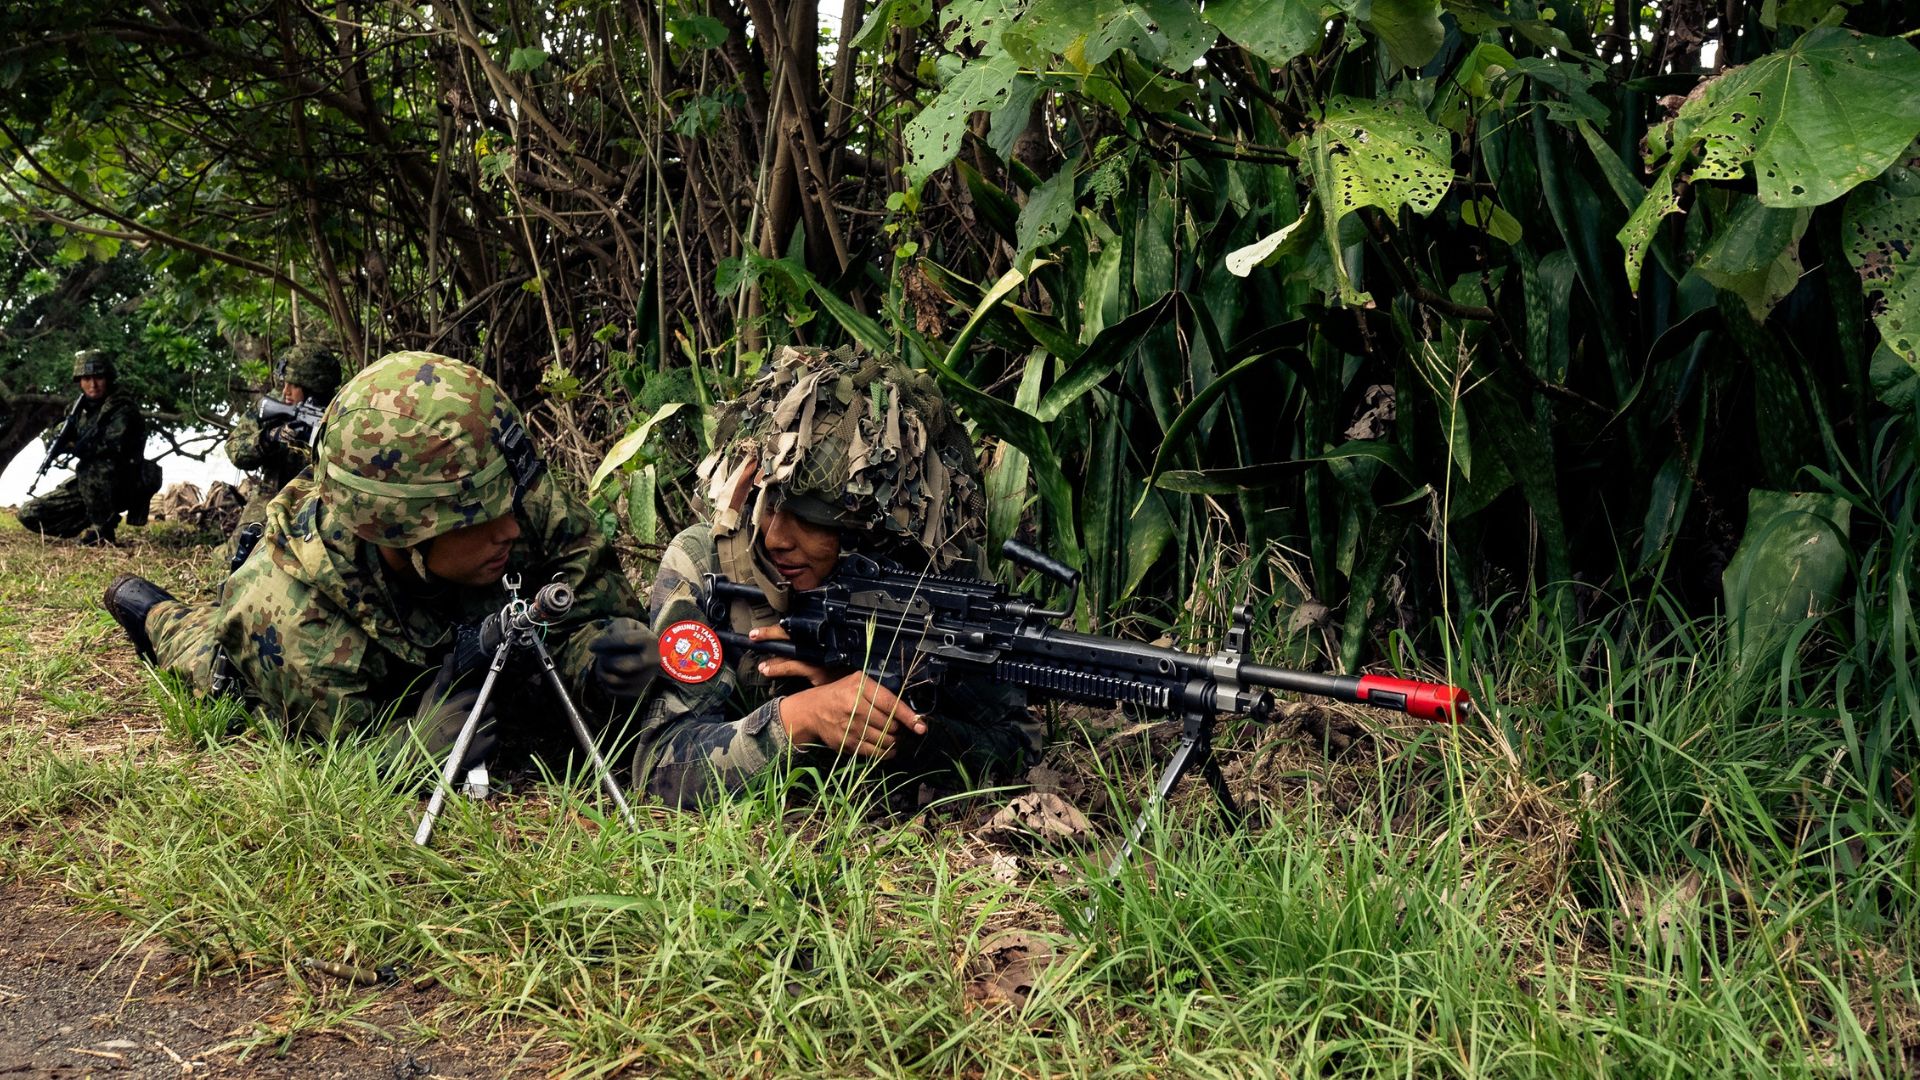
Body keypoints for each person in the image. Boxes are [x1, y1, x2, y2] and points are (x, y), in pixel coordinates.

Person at [100, 351, 659, 763]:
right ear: (402, 533)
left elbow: (591, 595)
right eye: (483, 519)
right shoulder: (299, 625)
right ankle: (152, 612)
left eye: (509, 502)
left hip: (433, 621)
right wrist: (412, 748)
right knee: (206, 651)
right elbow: (350, 760)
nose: (512, 527)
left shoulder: (498, 486)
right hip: (270, 644)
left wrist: (593, 659)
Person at [629, 344, 1042, 808]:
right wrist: (799, 719)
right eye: (768, 505)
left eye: (811, 519)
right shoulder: (706, 563)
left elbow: (1017, 749)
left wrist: (902, 726)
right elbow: (659, 769)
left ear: (871, 526)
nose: (776, 538)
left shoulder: (936, 572)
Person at [17, 350, 161, 545]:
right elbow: (58, 433)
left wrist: (73, 446)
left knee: (93, 467)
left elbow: (112, 447)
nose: (92, 385)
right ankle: (89, 522)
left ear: (108, 378)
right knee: (29, 514)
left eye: (98, 378)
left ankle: (103, 529)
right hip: (89, 485)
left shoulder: (122, 408)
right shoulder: (78, 410)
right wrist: (57, 440)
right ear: (79, 381)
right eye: (86, 378)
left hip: (125, 481)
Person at [226, 341, 342, 549]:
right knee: (243, 548)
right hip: (274, 494)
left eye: (294, 385)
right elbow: (235, 449)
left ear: (313, 388)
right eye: (285, 382)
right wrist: (270, 437)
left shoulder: (341, 409)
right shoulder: (277, 406)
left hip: (326, 499)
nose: (286, 390)